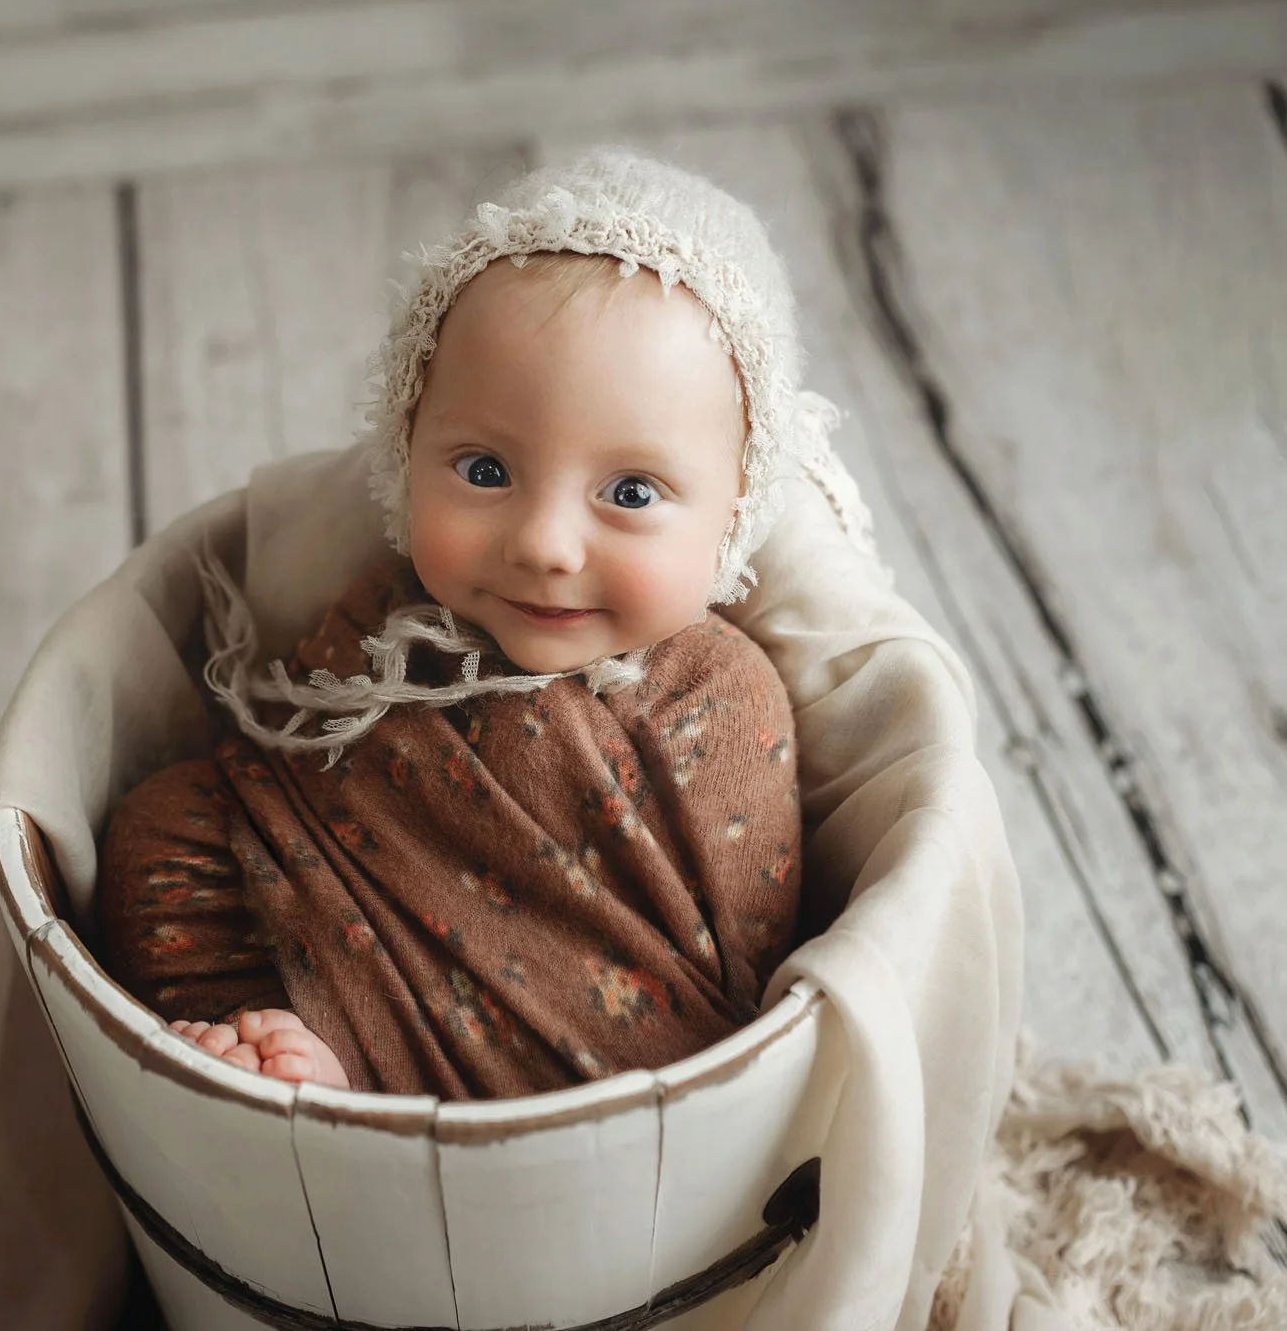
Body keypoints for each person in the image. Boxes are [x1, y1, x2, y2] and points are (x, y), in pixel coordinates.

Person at [94, 149, 869, 1099]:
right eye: (485, 471)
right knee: (157, 832)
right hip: (332, 968)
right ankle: (291, 1052)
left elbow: (740, 958)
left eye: (629, 492)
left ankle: (379, 1091)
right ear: (407, 449)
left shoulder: (715, 687)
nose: (544, 543)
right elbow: (278, 776)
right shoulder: (391, 623)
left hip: (597, 1051)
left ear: (735, 511)